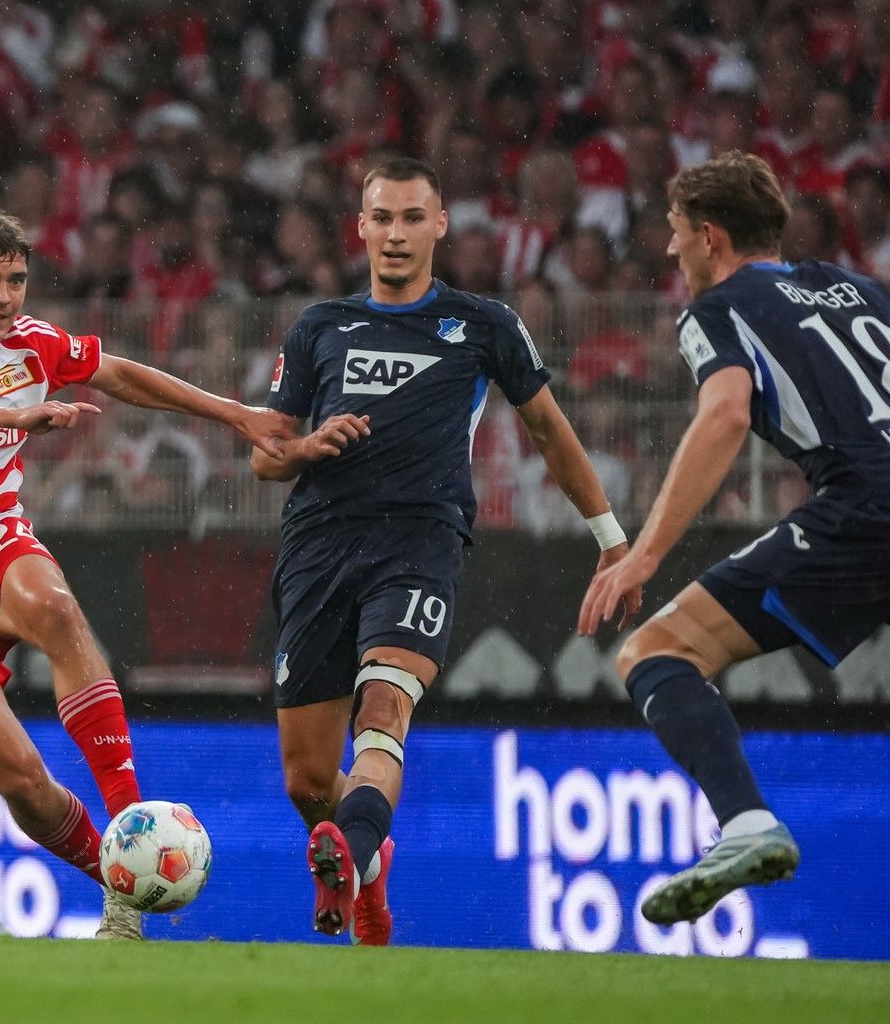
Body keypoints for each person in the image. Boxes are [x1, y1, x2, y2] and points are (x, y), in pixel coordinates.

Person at [0, 210, 294, 940]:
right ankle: (120, 883)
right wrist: (10, 415)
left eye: (15, 279)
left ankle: (130, 825)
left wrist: (234, 413)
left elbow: (116, 372)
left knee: (55, 608)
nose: (3, 295)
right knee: (21, 780)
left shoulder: (32, 342)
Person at [254, 157, 627, 945]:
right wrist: (308, 444)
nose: (395, 233)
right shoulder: (320, 325)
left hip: (420, 540)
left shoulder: (482, 322)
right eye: (381, 217)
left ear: (440, 224)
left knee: (384, 709)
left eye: (411, 217)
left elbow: (550, 432)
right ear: (359, 227)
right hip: (319, 545)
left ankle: (348, 860)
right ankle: (368, 860)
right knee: (308, 778)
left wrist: (612, 539)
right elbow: (266, 452)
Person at [579, 152, 890, 924]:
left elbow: (725, 413)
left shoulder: (720, 306)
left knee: (657, 649)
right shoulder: (863, 289)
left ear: (709, 236)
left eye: (674, 234)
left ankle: (745, 822)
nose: (670, 252)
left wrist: (645, 554)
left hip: (865, 504)